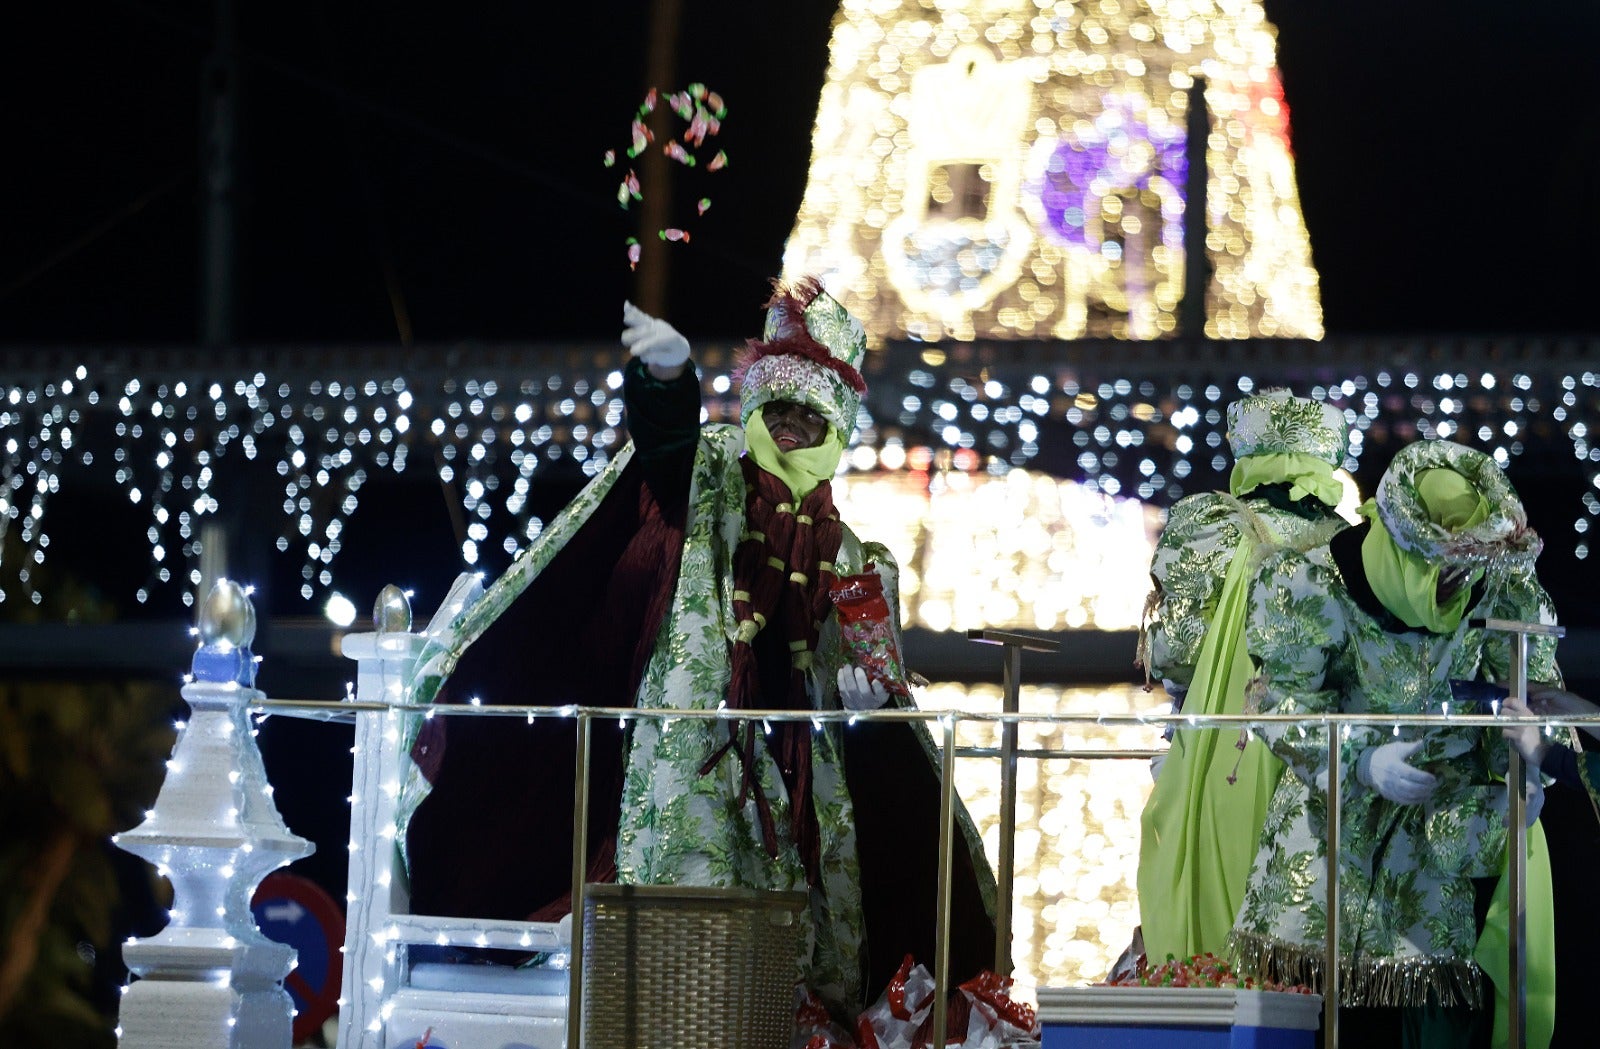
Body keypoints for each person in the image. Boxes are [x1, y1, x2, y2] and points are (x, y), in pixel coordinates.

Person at [399, 276, 996, 1019]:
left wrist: (875, 708)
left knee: (801, 951)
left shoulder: (856, 556)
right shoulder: (713, 476)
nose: (786, 429)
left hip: (806, 780)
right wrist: (667, 380)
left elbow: (878, 690)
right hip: (698, 757)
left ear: (835, 433)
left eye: (806, 418)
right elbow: (667, 448)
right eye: (773, 409)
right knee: (686, 945)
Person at [1231, 438, 1560, 1048]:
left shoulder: (1498, 587)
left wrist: (1529, 764)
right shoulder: (1310, 582)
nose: (1457, 583)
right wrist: (1359, 761)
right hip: (1330, 843)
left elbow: (1531, 688)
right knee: (1325, 1021)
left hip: (1445, 847)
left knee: (1435, 1023)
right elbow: (1279, 701)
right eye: (1446, 566)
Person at [1137, 388, 1351, 964]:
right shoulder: (1351, 545)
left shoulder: (1213, 525)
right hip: (1327, 758)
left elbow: (1178, 647)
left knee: (1215, 913)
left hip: (1227, 745)